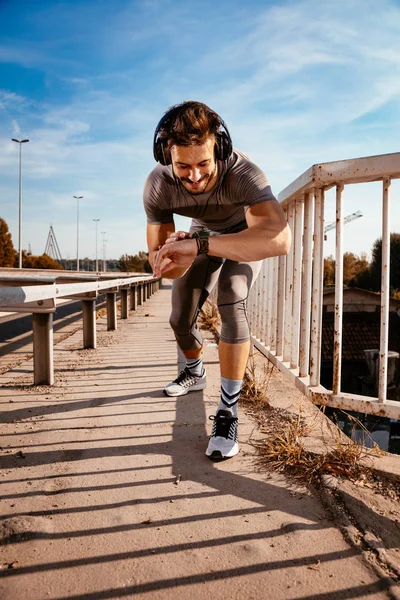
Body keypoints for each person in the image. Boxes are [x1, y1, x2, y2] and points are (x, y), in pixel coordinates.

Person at [143, 100, 291, 461]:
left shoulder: (243, 173)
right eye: (183, 166)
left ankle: (228, 411)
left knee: (231, 293)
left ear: (219, 149)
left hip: (243, 235)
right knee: (180, 317)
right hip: (199, 237)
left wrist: (204, 243)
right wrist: (173, 252)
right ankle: (194, 372)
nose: (193, 176)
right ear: (166, 157)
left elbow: (280, 239)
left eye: (203, 164)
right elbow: (163, 267)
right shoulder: (158, 185)